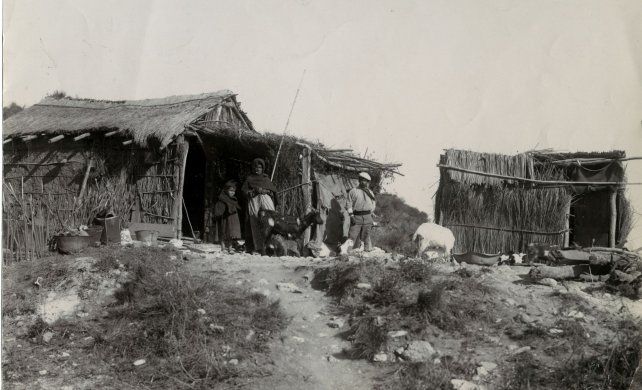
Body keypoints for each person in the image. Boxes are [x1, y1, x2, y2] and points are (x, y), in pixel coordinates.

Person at [241, 158, 278, 254]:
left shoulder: (266, 179)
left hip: (265, 199)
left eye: (260, 167)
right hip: (254, 201)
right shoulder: (249, 179)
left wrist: (266, 191)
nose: (257, 169)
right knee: (254, 221)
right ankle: (258, 247)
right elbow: (244, 191)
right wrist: (252, 191)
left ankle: (271, 245)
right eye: (255, 167)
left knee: (270, 220)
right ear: (252, 168)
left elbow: (273, 191)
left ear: (263, 169)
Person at [347, 172, 376, 252]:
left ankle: (366, 252)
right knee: (352, 236)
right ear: (359, 180)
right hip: (356, 217)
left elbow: (373, 204)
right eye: (362, 180)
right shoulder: (353, 191)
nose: (364, 182)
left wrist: (371, 213)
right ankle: (348, 252)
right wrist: (351, 216)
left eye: (366, 181)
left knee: (366, 236)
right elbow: (348, 204)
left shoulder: (370, 192)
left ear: (368, 182)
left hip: (367, 217)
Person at [213, 180, 242, 253]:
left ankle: (230, 248)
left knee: (231, 234)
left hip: (232, 220)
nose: (232, 192)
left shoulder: (234, 199)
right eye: (231, 191)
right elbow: (219, 209)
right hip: (225, 219)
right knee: (223, 233)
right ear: (226, 190)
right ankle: (223, 248)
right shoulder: (222, 198)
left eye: (234, 191)